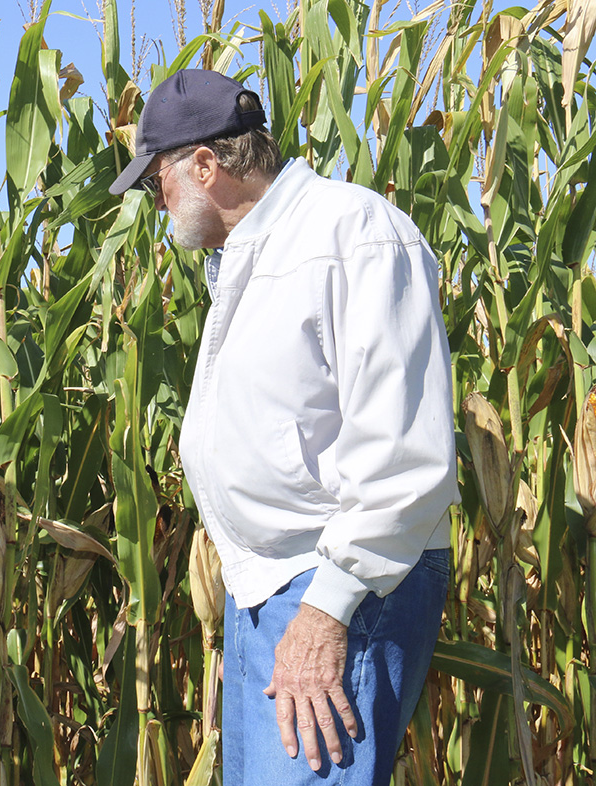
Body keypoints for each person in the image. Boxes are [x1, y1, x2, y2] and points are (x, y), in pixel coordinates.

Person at [110, 70, 458, 783]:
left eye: (158, 183)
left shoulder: (351, 233)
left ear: (205, 164)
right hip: (271, 591)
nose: (158, 202)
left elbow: (403, 455)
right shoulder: (250, 259)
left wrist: (327, 612)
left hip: (343, 587)